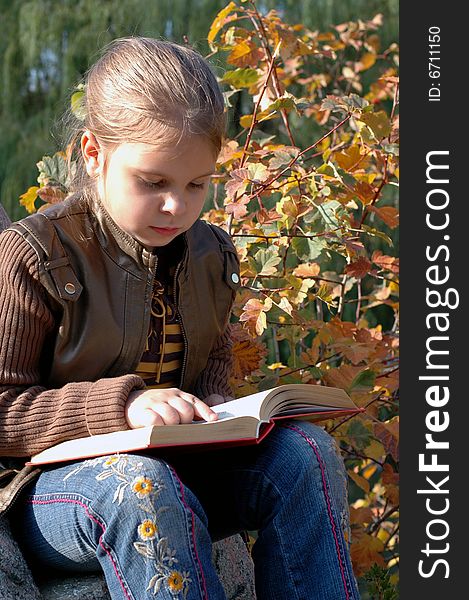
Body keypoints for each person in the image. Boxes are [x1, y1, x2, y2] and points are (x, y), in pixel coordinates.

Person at [0, 37, 360, 599]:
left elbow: (212, 352)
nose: (178, 207)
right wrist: (124, 405)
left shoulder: (210, 255)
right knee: (143, 486)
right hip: (53, 494)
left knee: (306, 454)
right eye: (154, 183)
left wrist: (217, 410)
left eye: (197, 185)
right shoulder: (36, 255)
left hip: (182, 467)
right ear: (93, 154)